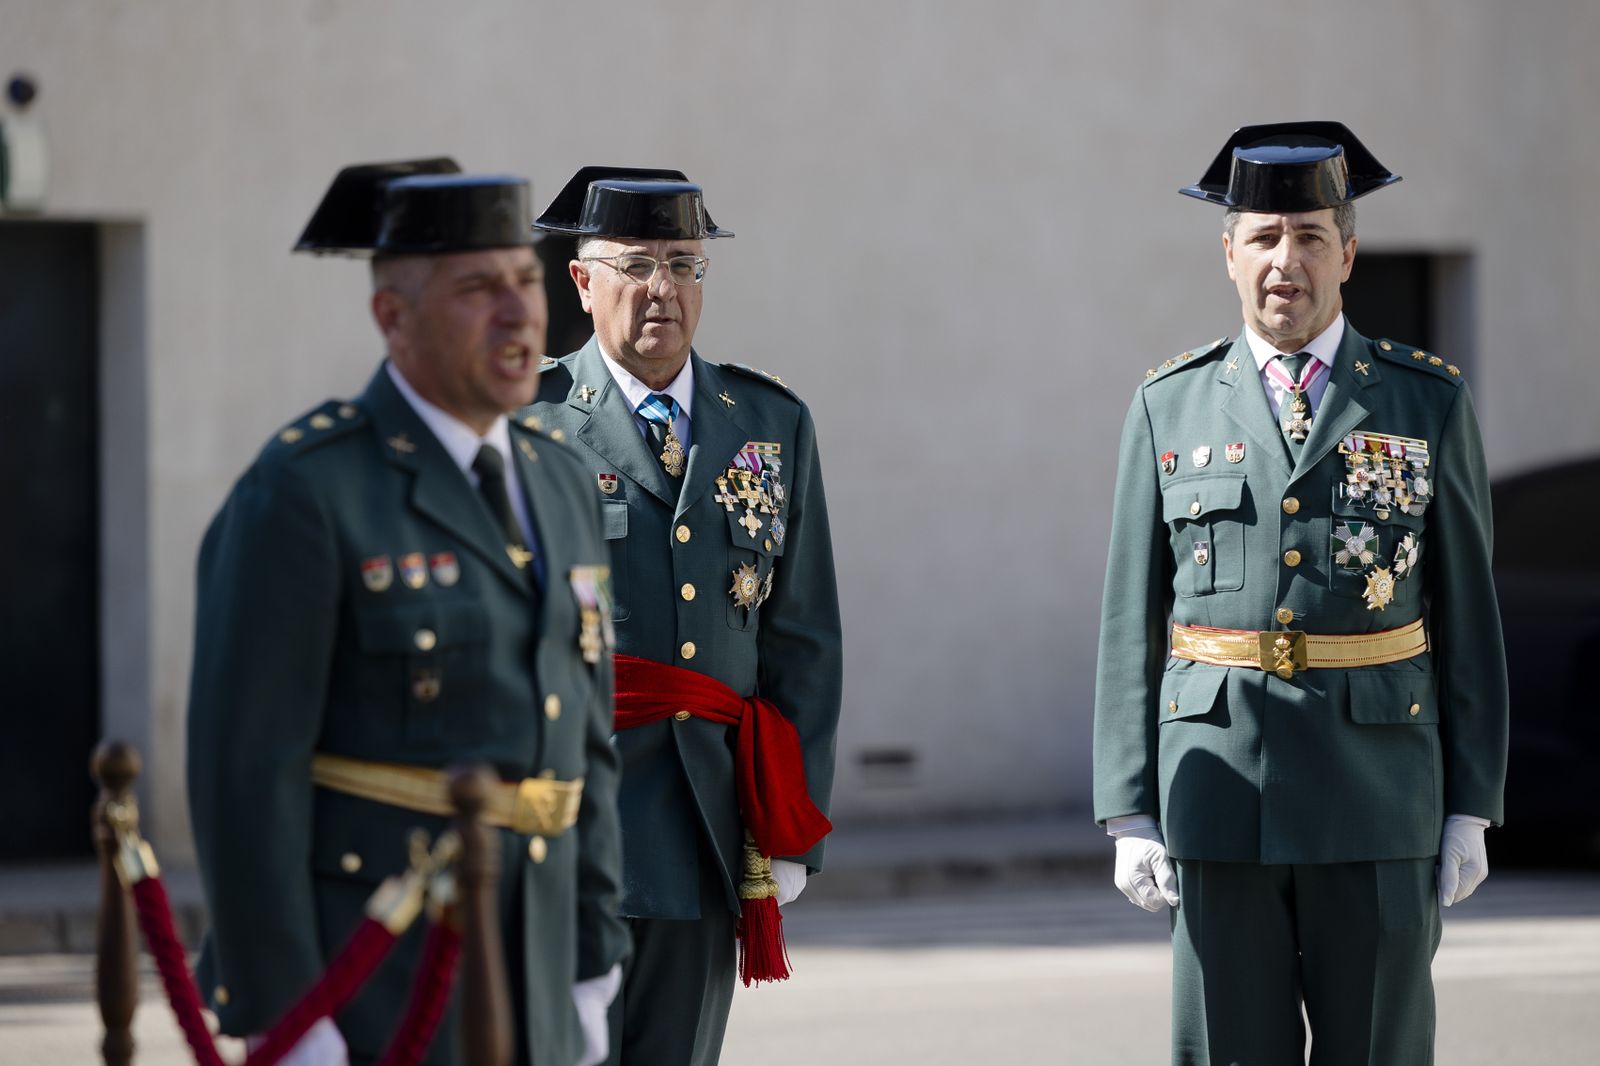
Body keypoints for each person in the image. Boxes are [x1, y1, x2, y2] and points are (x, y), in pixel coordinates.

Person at [186, 160, 628, 1066]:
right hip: (378, 979)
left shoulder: (560, 478)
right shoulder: (308, 492)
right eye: (477, 289)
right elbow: (247, 774)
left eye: (525, 280)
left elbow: (583, 749)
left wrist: (593, 958)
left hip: (537, 963)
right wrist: (291, 1011)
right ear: (393, 317)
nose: (519, 313)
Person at [1092, 122, 1509, 1064]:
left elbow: (1470, 621)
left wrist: (1470, 802)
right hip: (1216, 789)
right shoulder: (1169, 403)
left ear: (1348, 254)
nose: (1287, 261)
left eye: (1311, 237)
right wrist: (1128, 810)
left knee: (1378, 1046)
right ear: (1229, 255)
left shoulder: (1425, 401)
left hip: (1378, 790)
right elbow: (1130, 620)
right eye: (1265, 238)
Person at [524, 166, 843, 1066]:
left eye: (684, 264)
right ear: (581, 281)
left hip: (706, 824)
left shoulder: (769, 422)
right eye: (635, 265)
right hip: (566, 821)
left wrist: (791, 820)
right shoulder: (528, 420)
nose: (662, 288)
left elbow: (804, 641)